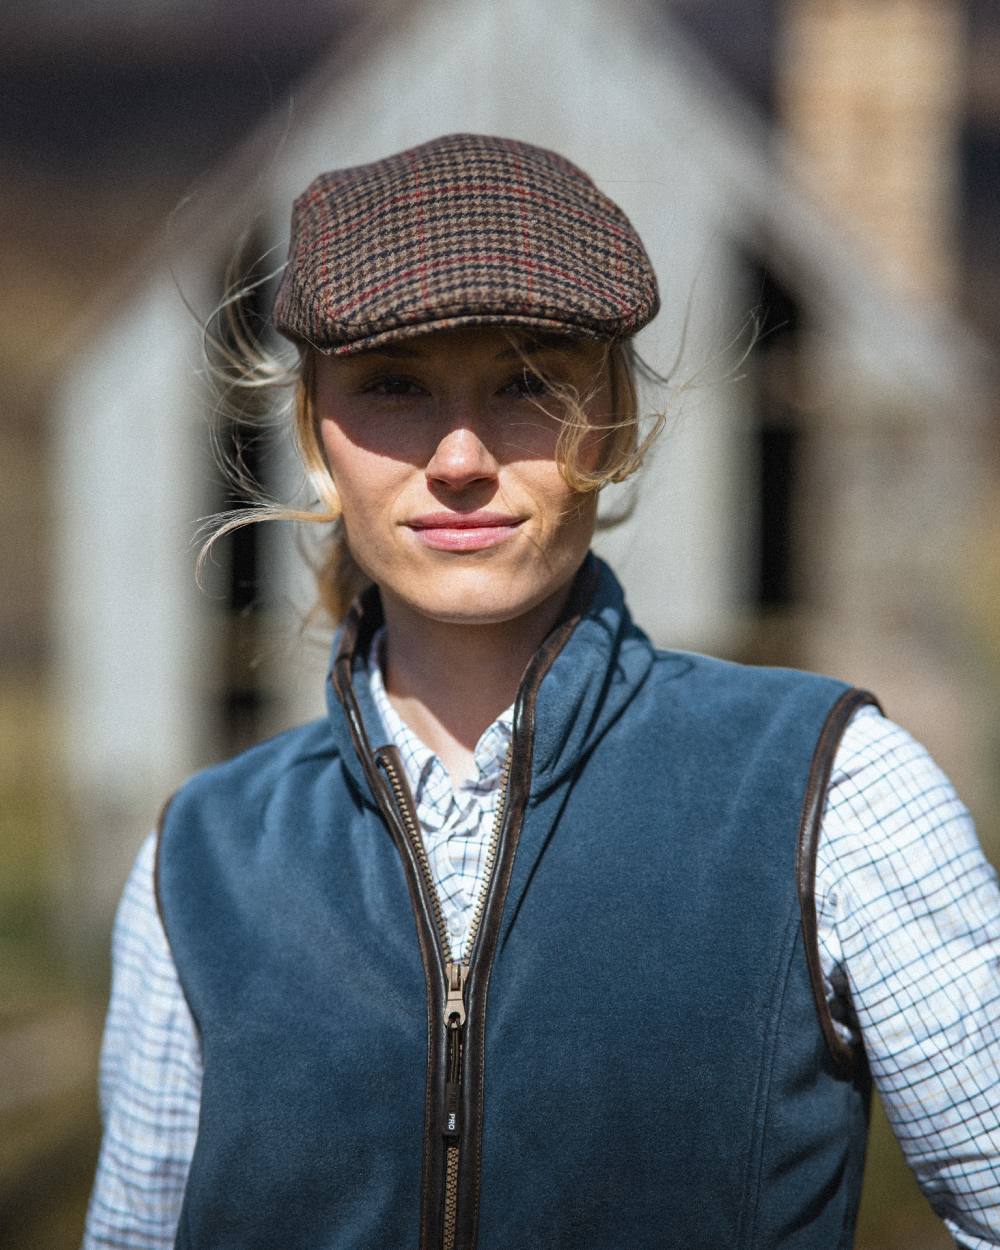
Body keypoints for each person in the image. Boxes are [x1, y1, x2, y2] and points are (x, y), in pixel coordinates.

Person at [82, 133, 1000, 1250]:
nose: (461, 456)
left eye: (525, 382)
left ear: (610, 421)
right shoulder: (202, 860)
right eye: (393, 386)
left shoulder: (830, 791)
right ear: (315, 431)